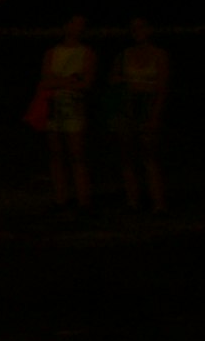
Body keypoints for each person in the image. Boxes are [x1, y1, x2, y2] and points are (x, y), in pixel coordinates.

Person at [28, 14, 98, 209]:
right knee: (56, 153)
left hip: (73, 105)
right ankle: (61, 197)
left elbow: (86, 83)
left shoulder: (87, 53)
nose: (78, 28)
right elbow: (44, 82)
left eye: (81, 25)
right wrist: (68, 81)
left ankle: (84, 198)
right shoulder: (52, 53)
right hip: (54, 104)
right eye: (74, 24)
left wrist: (59, 82)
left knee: (77, 153)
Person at [110, 17, 170, 212]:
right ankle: (133, 201)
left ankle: (158, 203)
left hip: (147, 108)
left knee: (150, 157)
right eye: (133, 28)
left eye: (141, 27)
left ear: (149, 30)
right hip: (127, 109)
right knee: (127, 157)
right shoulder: (124, 55)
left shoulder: (160, 55)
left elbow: (162, 88)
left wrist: (154, 115)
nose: (137, 31)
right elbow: (113, 80)